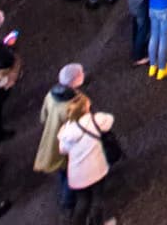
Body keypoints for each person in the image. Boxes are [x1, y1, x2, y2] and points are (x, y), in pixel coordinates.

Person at [55, 94, 117, 225]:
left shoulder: (66, 131)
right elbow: (110, 120)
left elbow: (63, 150)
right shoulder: (95, 120)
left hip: (77, 174)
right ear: (85, 108)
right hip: (95, 170)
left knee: (83, 200)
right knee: (97, 199)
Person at [34, 64, 88, 203]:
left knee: (63, 170)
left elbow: (43, 117)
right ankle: (68, 201)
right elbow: (82, 127)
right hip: (68, 144)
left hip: (52, 142)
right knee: (71, 173)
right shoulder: (78, 103)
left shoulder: (51, 95)